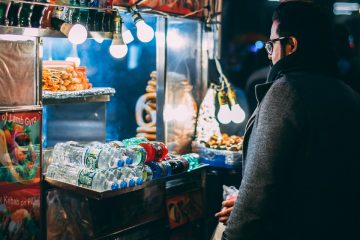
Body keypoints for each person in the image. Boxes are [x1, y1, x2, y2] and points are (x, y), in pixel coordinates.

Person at [215, 1, 360, 240]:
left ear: (291, 45)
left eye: (271, 45)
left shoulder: (286, 93)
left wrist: (235, 228)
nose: (270, 55)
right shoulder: (350, 96)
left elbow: (258, 193)